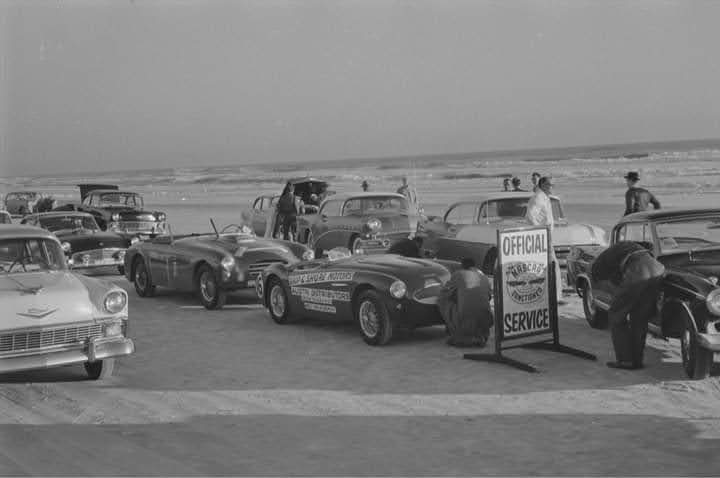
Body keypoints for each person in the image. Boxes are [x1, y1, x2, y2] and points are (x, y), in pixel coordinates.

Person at [591, 241, 665, 369]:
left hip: (639, 271)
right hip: (658, 268)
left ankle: (625, 360)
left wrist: (618, 299)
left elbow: (615, 283)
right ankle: (636, 360)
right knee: (639, 318)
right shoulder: (623, 248)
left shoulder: (599, 266)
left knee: (616, 315)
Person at [438, 257, 493, 347]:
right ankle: (476, 334)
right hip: (486, 319)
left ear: (462, 266)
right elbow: (489, 296)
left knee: (442, 300)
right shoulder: (484, 276)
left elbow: (445, 293)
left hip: (465, 319)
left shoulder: (458, 274)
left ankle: (457, 331)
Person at [525, 176, 562, 303]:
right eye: (550, 185)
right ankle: (555, 297)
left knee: (548, 265)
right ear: (543, 185)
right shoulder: (538, 197)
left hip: (545, 236)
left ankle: (552, 295)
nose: (552, 187)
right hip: (542, 237)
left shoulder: (544, 197)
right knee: (551, 265)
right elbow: (530, 216)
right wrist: (540, 232)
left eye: (552, 185)